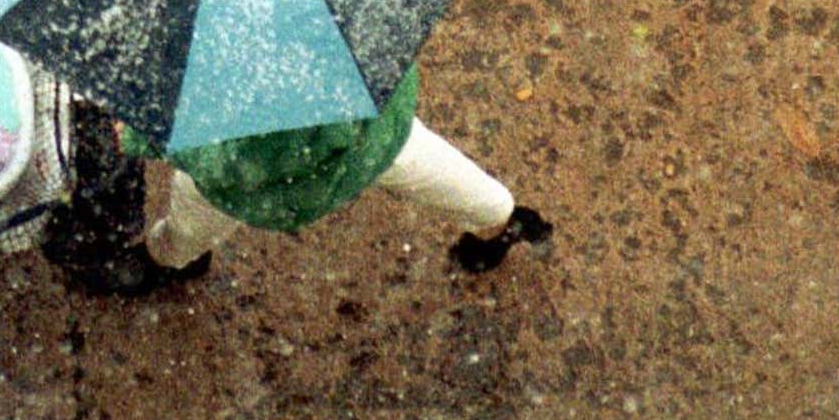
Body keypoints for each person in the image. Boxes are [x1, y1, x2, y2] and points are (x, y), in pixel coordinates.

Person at [69, 65, 552, 296]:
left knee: (196, 207)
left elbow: (230, 164)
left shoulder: (234, 73)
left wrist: (140, 137)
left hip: (275, 177)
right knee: (426, 164)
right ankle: (500, 217)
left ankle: (170, 260)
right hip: (379, 133)